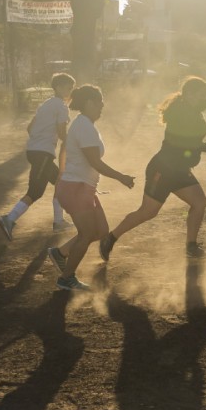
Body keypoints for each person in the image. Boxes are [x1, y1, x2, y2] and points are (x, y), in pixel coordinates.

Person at [99, 75, 206, 262]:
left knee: (199, 202)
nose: (204, 99)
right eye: (200, 95)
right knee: (148, 212)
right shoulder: (179, 111)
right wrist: (202, 147)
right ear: (188, 94)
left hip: (179, 170)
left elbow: (191, 138)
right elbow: (180, 139)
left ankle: (191, 246)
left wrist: (203, 146)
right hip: (163, 169)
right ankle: (111, 237)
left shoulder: (193, 111)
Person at [46, 85, 135, 292]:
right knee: (86, 234)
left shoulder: (85, 124)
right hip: (76, 188)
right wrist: (121, 177)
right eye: (99, 102)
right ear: (88, 103)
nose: (102, 106)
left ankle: (60, 254)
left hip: (83, 188)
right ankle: (66, 278)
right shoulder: (84, 126)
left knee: (101, 231)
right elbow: (95, 162)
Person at [0, 73, 75, 239]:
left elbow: (29, 128)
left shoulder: (45, 104)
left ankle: (58, 222)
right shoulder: (61, 106)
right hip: (43, 153)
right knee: (35, 191)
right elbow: (62, 132)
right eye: (68, 87)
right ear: (58, 87)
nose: (70, 91)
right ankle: (9, 219)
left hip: (34, 151)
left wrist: (40, 139)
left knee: (61, 183)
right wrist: (72, 144)